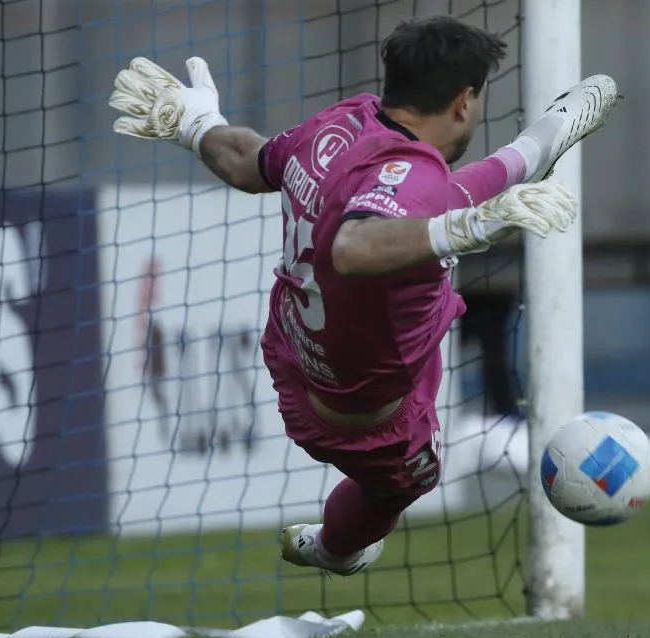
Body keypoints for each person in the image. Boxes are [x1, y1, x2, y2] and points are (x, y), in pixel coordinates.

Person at [109, 16, 617, 576]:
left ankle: (546, 137)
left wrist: (197, 122)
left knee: (465, 192)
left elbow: (247, 162)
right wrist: (466, 229)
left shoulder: (344, 122)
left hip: (295, 352)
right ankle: (330, 550)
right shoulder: (418, 176)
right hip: (364, 415)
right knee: (405, 483)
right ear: (464, 101)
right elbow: (353, 247)